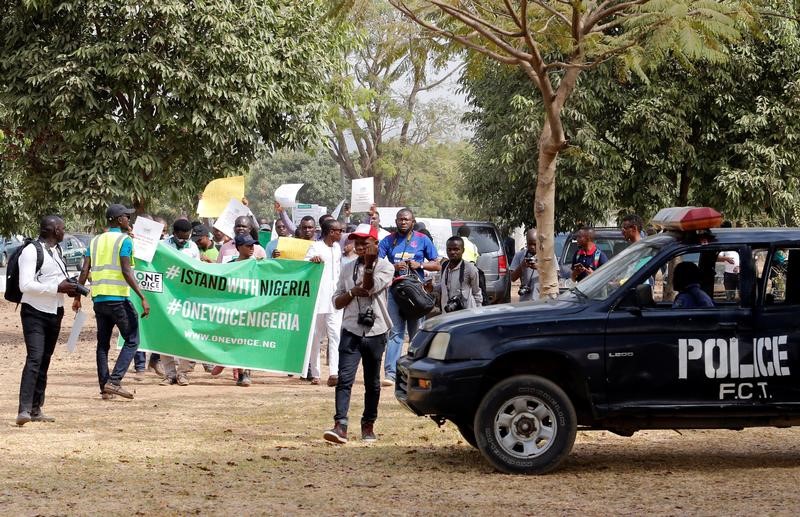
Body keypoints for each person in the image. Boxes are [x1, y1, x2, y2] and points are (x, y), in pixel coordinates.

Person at [323, 224, 394, 444]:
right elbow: (336, 301)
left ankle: (368, 425)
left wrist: (370, 266)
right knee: (344, 379)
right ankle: (340, 425)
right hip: (351, 329)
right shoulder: (347, 268)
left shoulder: (386, 267)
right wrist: (352, 292)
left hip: (376, 330)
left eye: (365, 242)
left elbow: (370, 288)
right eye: (357, 242)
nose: (361, 246)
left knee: (372, 382)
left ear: (375, 244)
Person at [73, 203, 150, 400]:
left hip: (99, 300)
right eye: (126, 216)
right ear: (119, 220)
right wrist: (142, 297)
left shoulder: (95, 241)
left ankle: (104, 387)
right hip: (118, 299)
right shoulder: (124, 241)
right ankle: (114, 382)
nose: (129, 219)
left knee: (102, 344)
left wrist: (77, 297)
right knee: (133, 340)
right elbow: (126, 271)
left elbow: (84, 271)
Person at [15, 215, 80, 425]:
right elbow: (25, 285)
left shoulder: (57, 251)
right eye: (61, 228)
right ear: (51, 230)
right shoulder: (31, 251)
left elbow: (56, 279)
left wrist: (69, 288)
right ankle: (23, 410)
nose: (64, 231)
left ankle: (36, 409)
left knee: (45, 359)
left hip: (55, 311)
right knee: (34, 358)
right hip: (34, 311)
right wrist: (56, 288)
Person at [378, 208, 440, 386]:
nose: (403, 222)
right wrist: (392, 267)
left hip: (416, 294)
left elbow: (437, 265)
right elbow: (378, 263)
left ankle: (415, 371)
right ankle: (391, 373)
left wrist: (419, 264)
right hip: (394, 293)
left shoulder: (422, 239)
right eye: (400, 219)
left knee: (416, 333)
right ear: (396, 221)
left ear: (413, 222)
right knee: (395, 332)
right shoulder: (388, 240)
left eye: (406, 219)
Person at [210, 233, 258, 386]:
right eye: (248, 245)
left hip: (252, 309)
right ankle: (225, 359)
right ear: (238, 247)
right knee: (232, 337)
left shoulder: (258, 265)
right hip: (232, 310)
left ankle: (243, 374)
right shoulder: (229, 266)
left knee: (245, 340)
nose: (252, 248)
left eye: (253, 245)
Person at [158, 219, 200, 386]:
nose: (184, 241)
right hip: (165, 296)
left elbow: (198, 269)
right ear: (173, 233)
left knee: (187, 334)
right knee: (164, 335)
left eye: (187, 238)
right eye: (181, 238)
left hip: (186, 297)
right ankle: (169, 374)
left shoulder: (193, 247)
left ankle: (183, 373)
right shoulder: (162, 245)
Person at [304, 219, 344, 386]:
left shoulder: (337, 247)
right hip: (319, 298)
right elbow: (304, 264)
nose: (341, 234)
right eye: (338, 231)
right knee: (315, 337)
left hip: (335, 299)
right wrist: (312, 260)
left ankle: (334, 372)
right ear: (330, 232)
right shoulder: (316, 247)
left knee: (335, 336)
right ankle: (316, 373)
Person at [430, 236, 482, 312]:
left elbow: (477, 293)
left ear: (463, 250)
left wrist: (478, 313)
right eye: (449, 249)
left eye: (456, 249)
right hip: (447, 313)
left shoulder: (470, 269)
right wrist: (432, 288)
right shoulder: (444, 266)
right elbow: (443, 286)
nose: (452, 252)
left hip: (465, 314)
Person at [510, 229, 557, 301]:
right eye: (529, 244)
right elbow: (512, 278)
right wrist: (522, 266)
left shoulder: (549, 255)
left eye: (535, 244)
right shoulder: (519, 255)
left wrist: (539, 267)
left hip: (544, 299)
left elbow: (557, 276)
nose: (532, 247)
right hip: (525, 301)